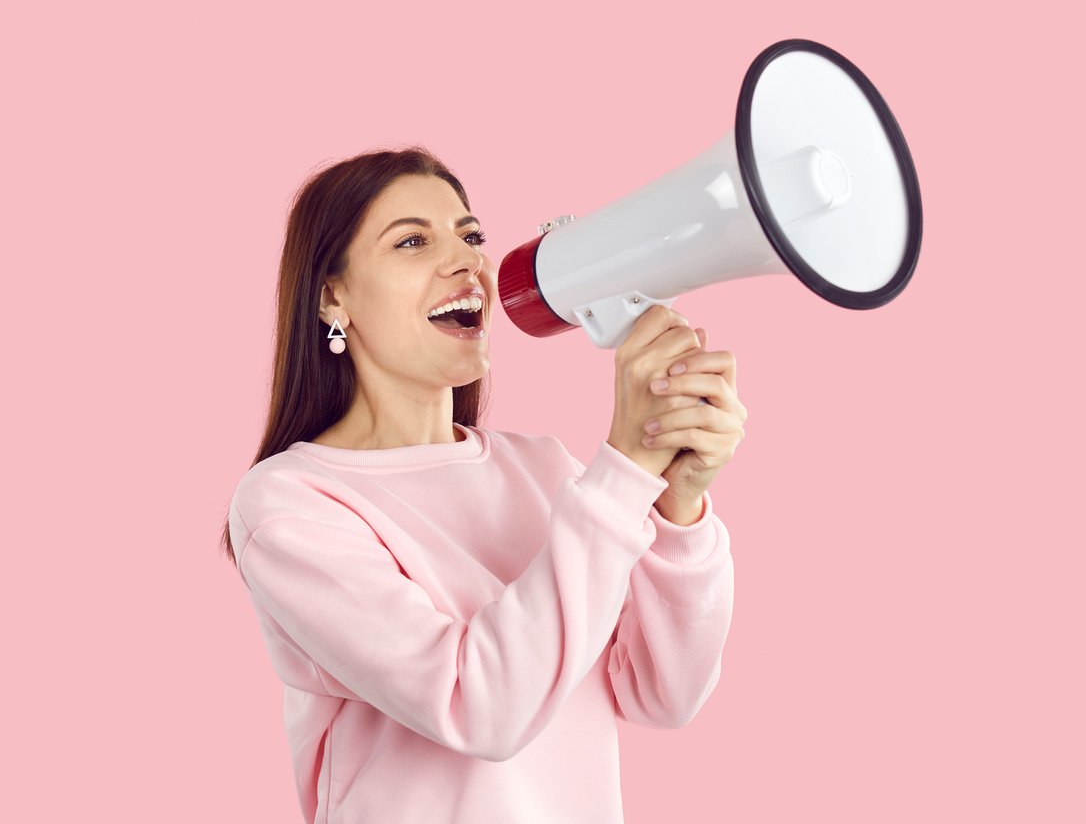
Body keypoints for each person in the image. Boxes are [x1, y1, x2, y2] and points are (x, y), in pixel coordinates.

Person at [218, 147, 743, 823]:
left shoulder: (545, 467)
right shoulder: (289, 505)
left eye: (471, 236)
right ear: (331, 295)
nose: (468, 262)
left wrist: (679, 504)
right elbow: (480, 708)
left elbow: (661, 694)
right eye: (412, 240)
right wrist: (625, 471)